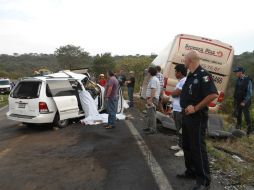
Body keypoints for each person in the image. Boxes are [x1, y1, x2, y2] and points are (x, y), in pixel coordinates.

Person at [179, 51, 218, 190]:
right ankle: (191, 171)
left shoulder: (204, 75)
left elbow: (213, 94)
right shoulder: (190, 75)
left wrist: (195, 108)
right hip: (186, 115)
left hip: (197, 117)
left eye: (185, 59)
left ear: (190, 60)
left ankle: (204, 180)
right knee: (187, 145)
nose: (184, 62)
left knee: (198, 148)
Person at [170, 64, 187, 157]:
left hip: (181, 109)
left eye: (176, 72)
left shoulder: (184, 81)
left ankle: (183, 149)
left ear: (179, 72)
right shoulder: (180, 81)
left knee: (182, 130)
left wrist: (173, 92)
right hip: (177, 108)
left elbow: (175, 93)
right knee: (178, 129)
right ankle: (179, 145)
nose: (175, 73)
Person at [233, 66, 253, 135]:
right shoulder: (238, 79)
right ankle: (238, 128)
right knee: (238, 114)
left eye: (236, 72)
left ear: (241, 72)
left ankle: (249, 130)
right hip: (238, 100)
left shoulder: (248, 80)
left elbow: (249, 92)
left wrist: (244, 102)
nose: (235, 73)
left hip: (245, 101)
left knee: (246, 114)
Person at [143, 66, 161, 134]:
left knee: (152, 114)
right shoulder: (154, 79)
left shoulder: (153, 79)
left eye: (148, 71)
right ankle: (149, 127)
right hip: (151, 98)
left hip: (152, 99)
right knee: (149, 114)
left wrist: (150, 99)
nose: (147, 72)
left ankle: (153, 129)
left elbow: (153, 89)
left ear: (150, 72)